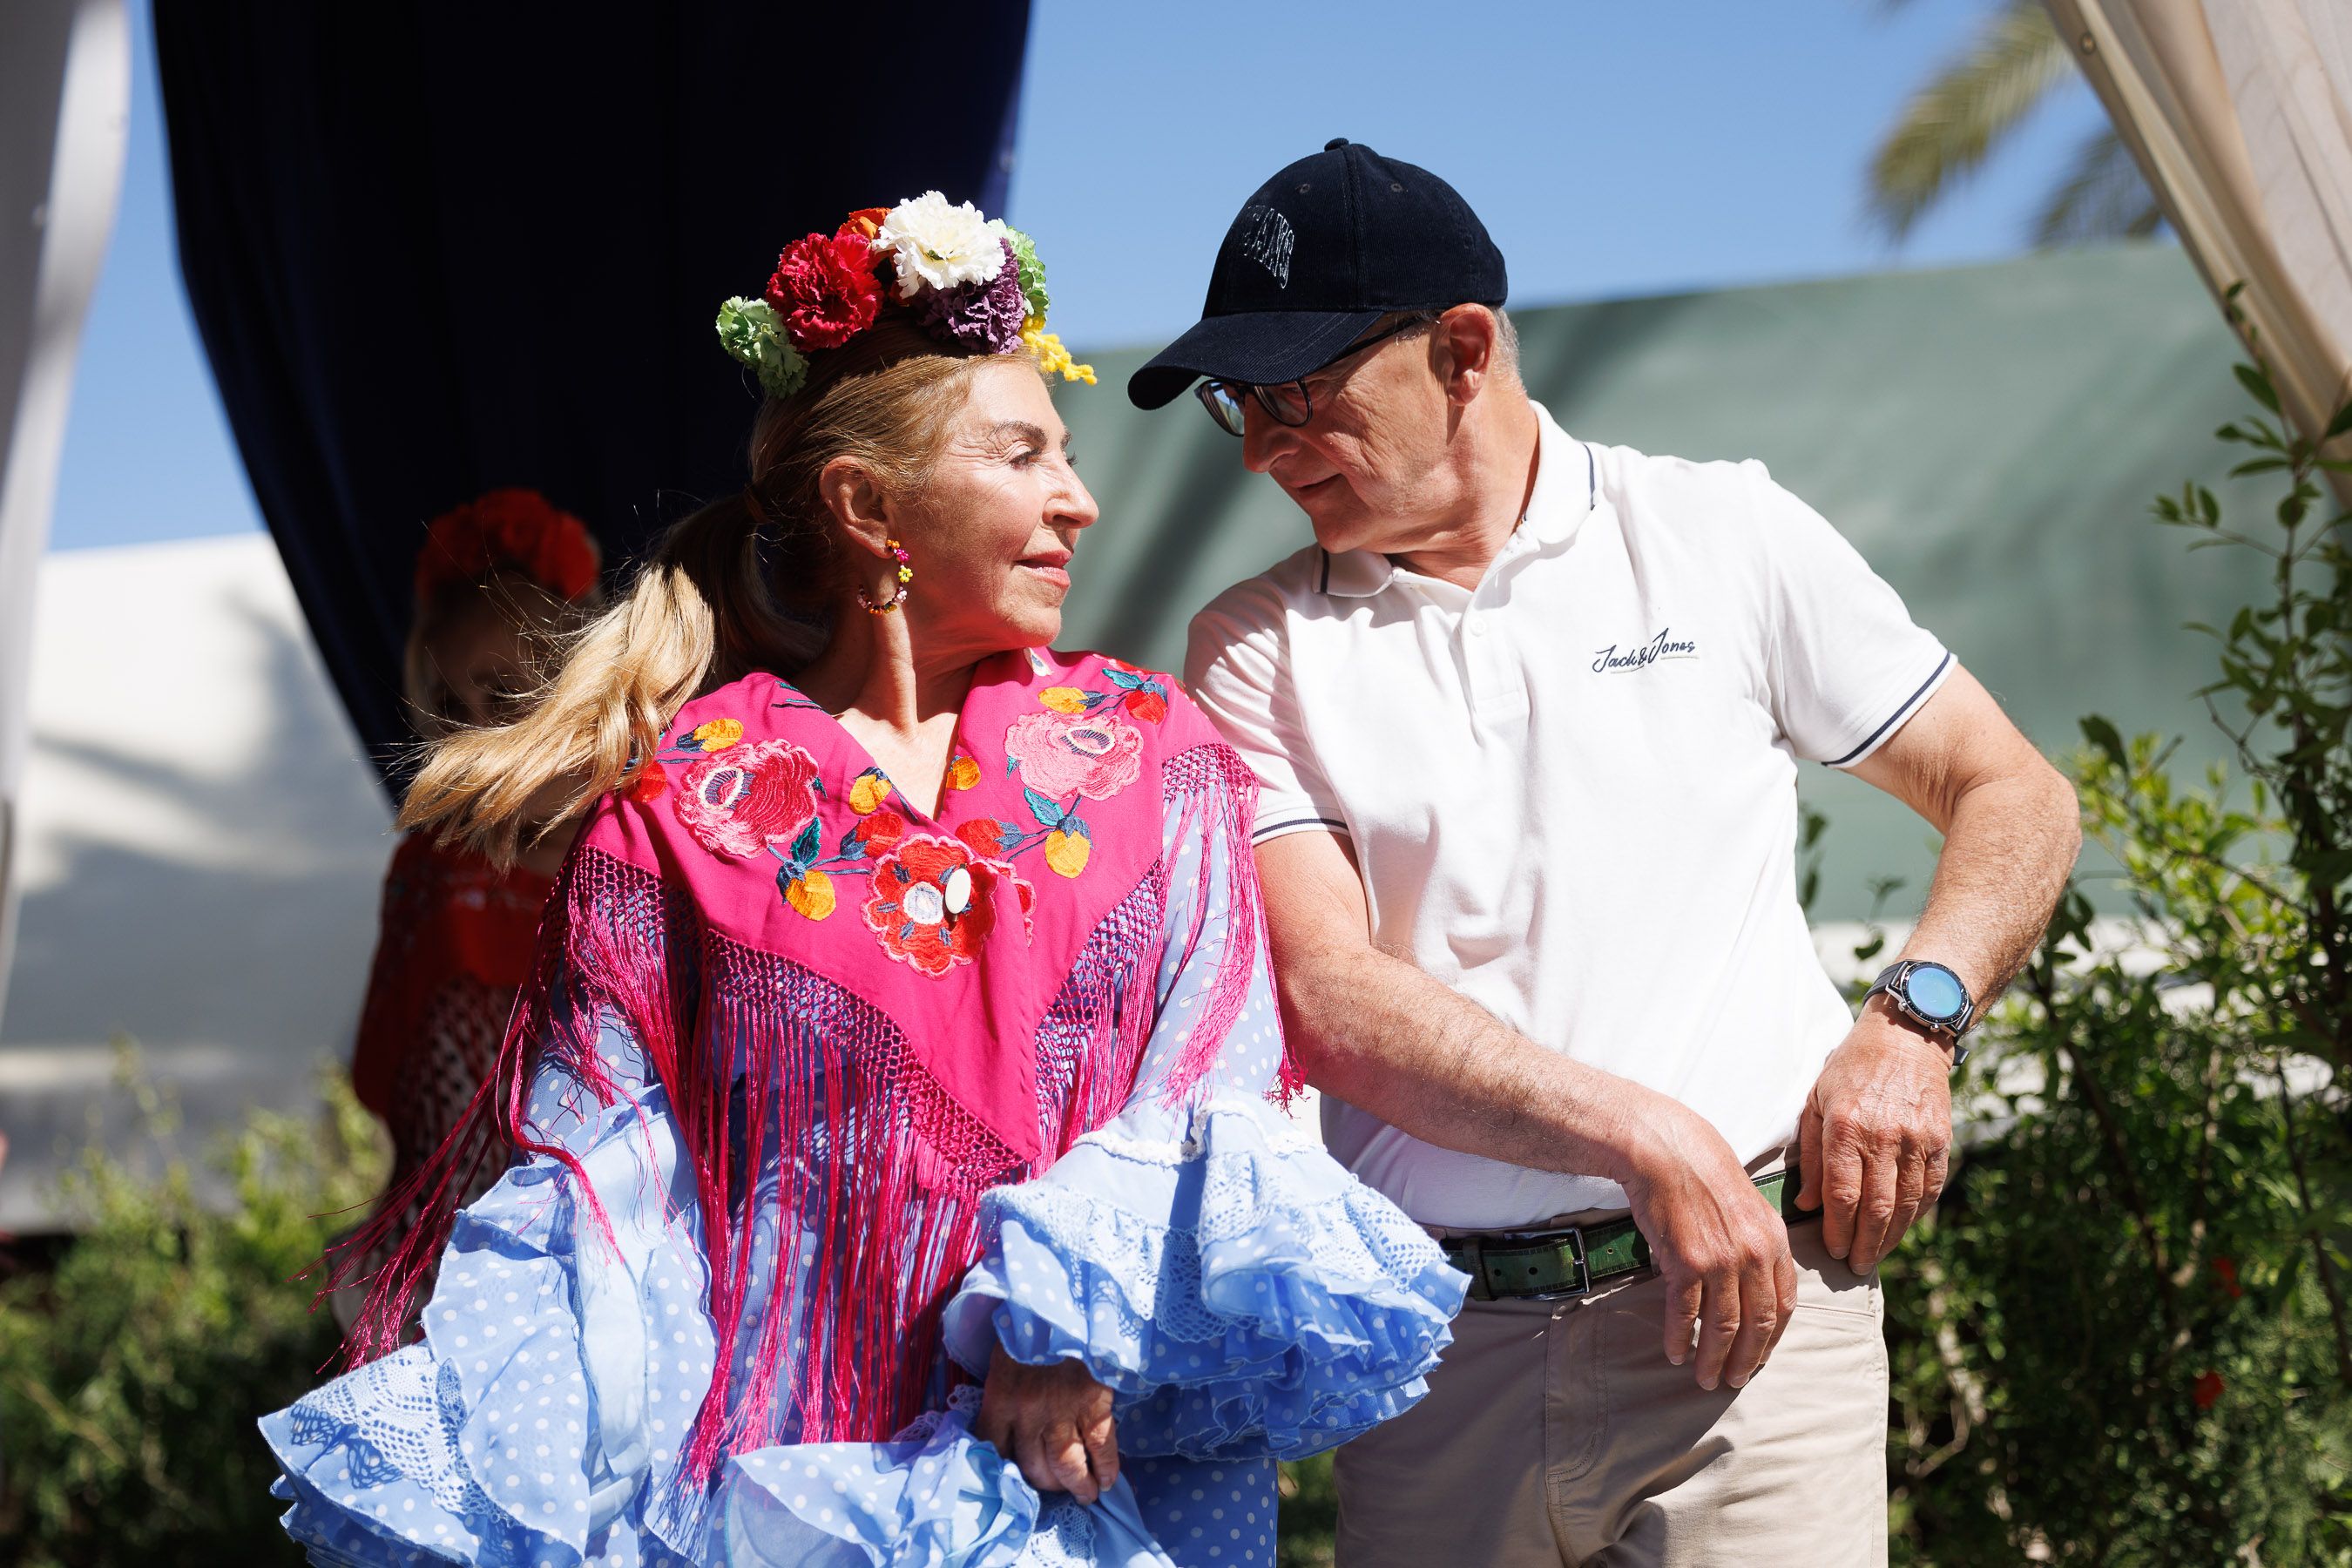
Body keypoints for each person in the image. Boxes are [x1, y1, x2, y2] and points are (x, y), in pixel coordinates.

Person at [262, 193, 1462, 1568]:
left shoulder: (1150, 752)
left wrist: (1065, 1325)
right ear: (869, 506)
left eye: (1064, 456)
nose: (1079, 498)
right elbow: (598, 1174)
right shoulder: (678, 808)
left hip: (1093, 1492)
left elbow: (1218, 1074)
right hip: (777, 1495)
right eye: (1024, 456)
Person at [1144, 141, 2082, 1567]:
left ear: (1464, 350)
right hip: (1429, 1360)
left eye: (1299, 390)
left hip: (1756, 1335)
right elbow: (1323, 996)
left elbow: (2012, 790)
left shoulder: (1725, 534)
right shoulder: (1249, 646)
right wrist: (1646, 1139)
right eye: (1239, 402)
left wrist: (1914, 1030)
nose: (1266, 444)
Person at [338, 489, 605, 1330]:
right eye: (454, 709)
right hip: (474, 1281)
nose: (484, 731)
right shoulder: (435, 870)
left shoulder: (659, 833)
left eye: (507, 692)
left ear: (578, 675)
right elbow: (427, 1135)